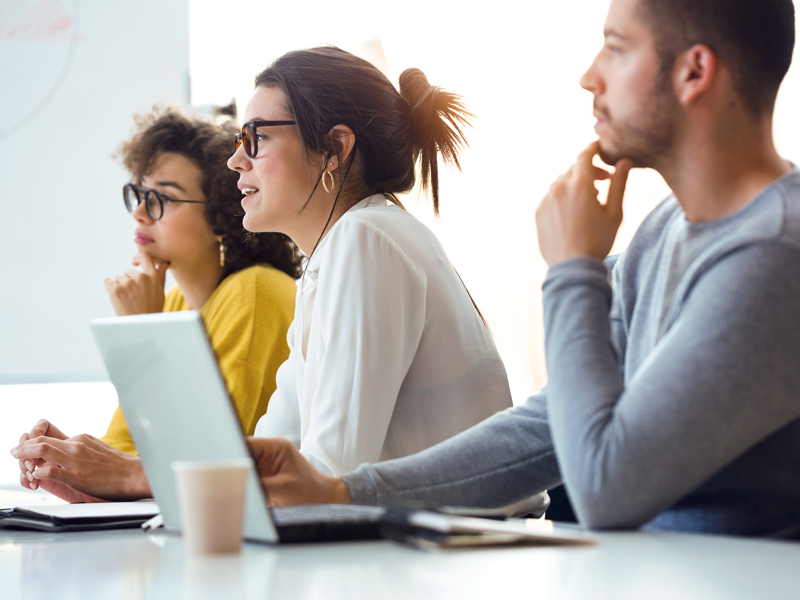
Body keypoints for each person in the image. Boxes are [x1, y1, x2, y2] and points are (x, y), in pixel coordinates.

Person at [238, 0, 800, 539]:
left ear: (694, 71)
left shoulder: (776, 250)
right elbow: (547, 430)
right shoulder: (664, 233)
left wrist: (575, 271)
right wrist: (345, 493)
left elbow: (607, 487)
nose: (589, 77)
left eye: (615, 49)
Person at [226, 47, 513, 476]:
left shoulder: (367, 238)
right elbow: (275, 450)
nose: (235, 160)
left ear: (334, 148)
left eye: (257, 137)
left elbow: (329, 473)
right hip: (422, 534)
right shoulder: (332, 258)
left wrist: (144, 481)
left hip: (460, 540)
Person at [12, 107, 301, 501]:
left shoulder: (255, 292)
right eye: (139, 194)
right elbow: (128, 452)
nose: (140, 213)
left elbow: (203, 469)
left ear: (221, 219)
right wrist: (70, 466)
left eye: (162, 197)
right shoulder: (175, 301)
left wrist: (142, 333)